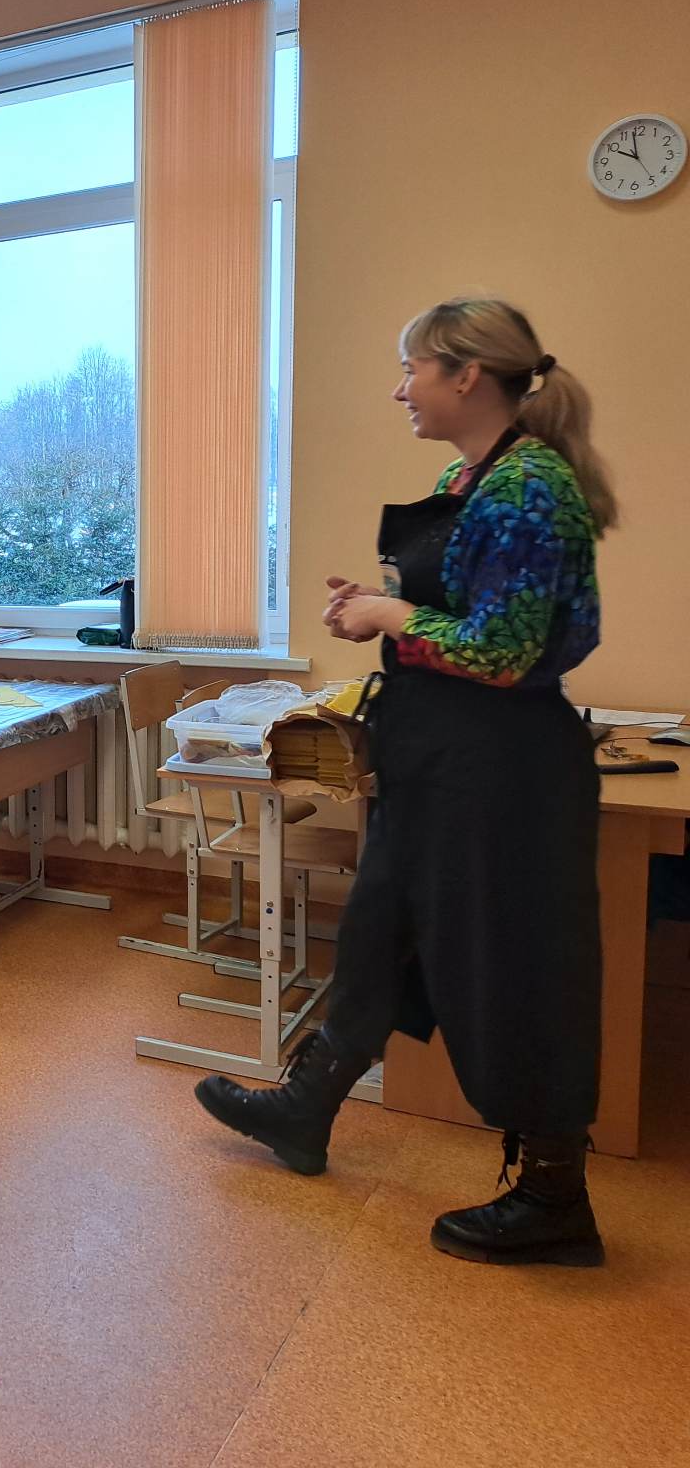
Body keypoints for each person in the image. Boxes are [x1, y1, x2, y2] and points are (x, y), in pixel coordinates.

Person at [195, 297, 613, 1267]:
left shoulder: (531, 486)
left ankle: (554, 1195)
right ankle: (305, 1109)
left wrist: (391, 618)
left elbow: (506, 651)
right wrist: (375, 605)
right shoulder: (465, 477)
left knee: (511, 967)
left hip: (500, 772)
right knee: (377, 930)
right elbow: (457, 613)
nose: (400, 390)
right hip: (435, 759)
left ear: (466, 374)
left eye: (411, 369)